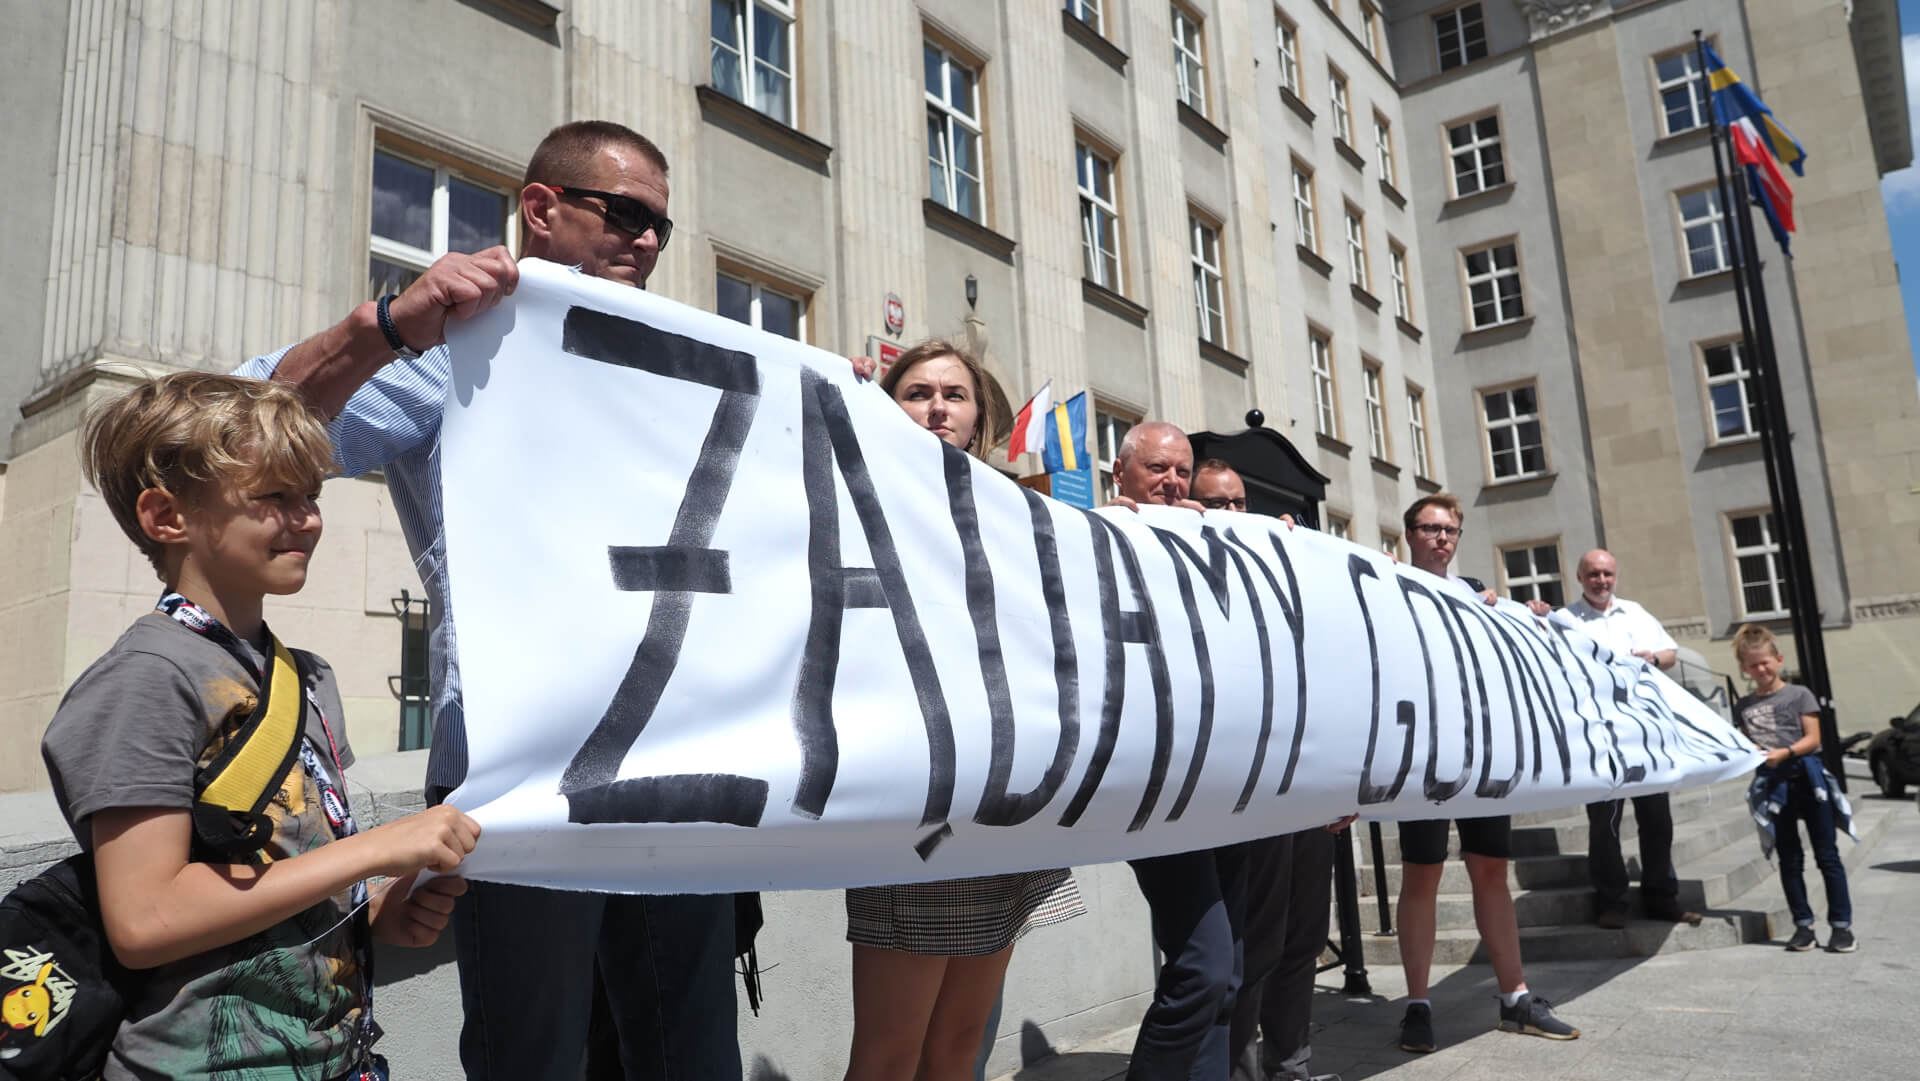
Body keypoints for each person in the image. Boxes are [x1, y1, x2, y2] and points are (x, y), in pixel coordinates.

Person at [234, 121, 743, 1080]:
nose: (644, 242)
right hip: (522, 770)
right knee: (532, 1056)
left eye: (660, 229)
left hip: (677, 756)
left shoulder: (671, 361)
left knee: (695, 1054)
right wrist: (381, 327)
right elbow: (242, 429)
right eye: (624, 213)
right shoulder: (458, 348)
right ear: (541, 210)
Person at [40, 372, 480, 1081]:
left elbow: (276, 881)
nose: (306, 517)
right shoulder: (146, 680)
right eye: (275, 496)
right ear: (164, 516)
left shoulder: (307, 677)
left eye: (312, 495)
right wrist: (371, 852)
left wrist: (378, 912)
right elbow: (146, 919)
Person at [841, 339, 1086, 1081]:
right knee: (888, 1055)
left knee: (959, 1045)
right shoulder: (855, 492)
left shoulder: (1018, 512)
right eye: (917, 392)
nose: (937, 406)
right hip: (919, 808)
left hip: (1011, 806)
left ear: (980, 418)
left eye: (954, 393)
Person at [1392, 494, 1578, 1054]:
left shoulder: (1476, 593)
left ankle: (1515, 997)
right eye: (1429, 528)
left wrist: (1532, 619)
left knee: (1491, 869)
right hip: (1422, 755)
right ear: (1410, 535)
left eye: (1449, 530)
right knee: (1421, 875)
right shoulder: (1387, 586)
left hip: (1480, 754)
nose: (1441, 538)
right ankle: (1418, 1005)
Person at [1103, 424, 1250, 1080]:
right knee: (1203, 964)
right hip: (1158, 786)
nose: (1172, 482)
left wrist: (1254, 547)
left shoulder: (1211, 543)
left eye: (1181, 471)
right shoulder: (1097, 532)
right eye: (1157, 468)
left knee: (1229, 974)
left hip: (1226, 779)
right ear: (1121, 473)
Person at [1190, 461, 1343, 1081]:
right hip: (1250, 789)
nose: (1230, 516)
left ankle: (1292, 1063)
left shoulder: (1282, 565)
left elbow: (1338, 665)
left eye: (1238, 503)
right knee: (1255, 943)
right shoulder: (1186, 569)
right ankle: (1240, 1069)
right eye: (1215, 504)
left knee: (1305, 936)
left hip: (1309, 783)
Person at [1543, 550, 1699, 929]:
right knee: (1605, 823)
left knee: (1657, 820)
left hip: (1644, 732)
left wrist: (1654, 659)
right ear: (1579, 577)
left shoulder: (1635, 612)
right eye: (1593, 574)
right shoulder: (1564, 619)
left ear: (1616, 576)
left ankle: (1662, 898)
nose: (1601, 580)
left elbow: (1670, 653)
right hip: (1599, 734)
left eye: (1608, 574)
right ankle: (1612, 902)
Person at [1731, 624, 1855, 953]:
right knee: (1789, 858)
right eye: (1753, 665)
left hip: (1807, 777)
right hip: (1773, 784)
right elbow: (1746, 744)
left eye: (1765, 662)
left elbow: (1814, 738)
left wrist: (1784, 753)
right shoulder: (1742, 706)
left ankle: (1842, 927)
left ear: (1778, 659)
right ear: (1744, 668)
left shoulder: (1800, 695)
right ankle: (1803, 925)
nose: (1761, 669)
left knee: (1827, 855)